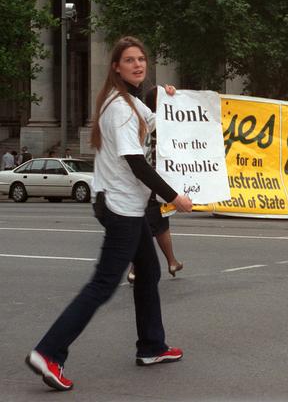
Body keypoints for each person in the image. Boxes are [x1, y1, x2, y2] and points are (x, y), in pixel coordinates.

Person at [25, 36, 193, 391]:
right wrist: (174, 196)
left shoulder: (131, 102)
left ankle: (152, 346)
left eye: (142, 59)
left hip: (125, 205)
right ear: (115, 67)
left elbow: (158, 117)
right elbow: (135, 162)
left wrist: (169, 96)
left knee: (147, 272)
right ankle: (49, 351)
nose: (138, 64)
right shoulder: (119, 107)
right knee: (103, 284)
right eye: (130, 60)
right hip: (122, 208)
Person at [128, 87, 183, 283]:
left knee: (160, 225)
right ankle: (135, 269)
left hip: (156, 184)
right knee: (148, 227)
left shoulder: (152, 122)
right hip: (150, 184)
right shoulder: (151, 123)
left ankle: (172, 261)